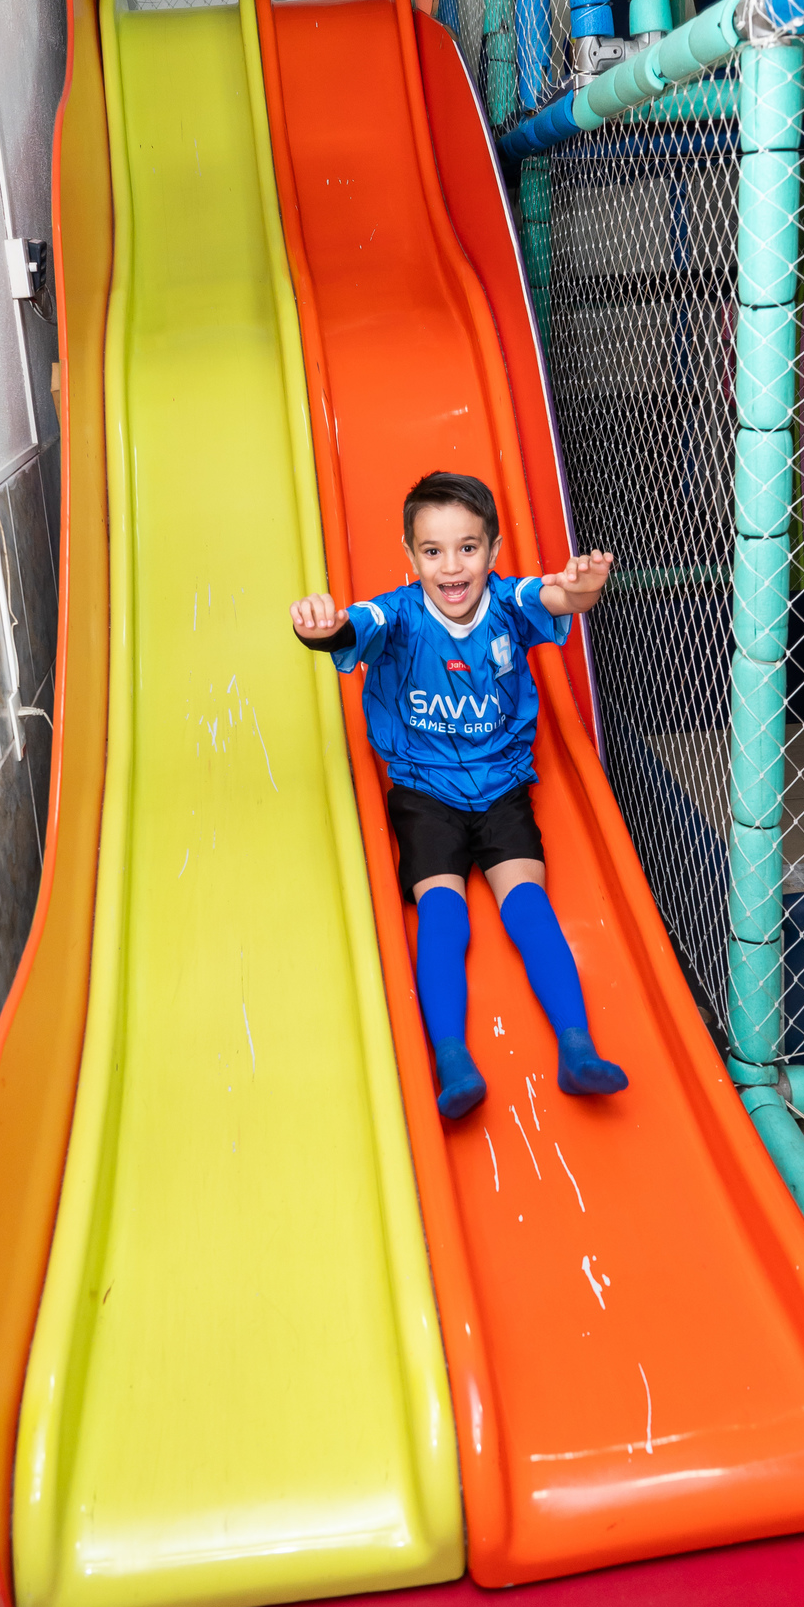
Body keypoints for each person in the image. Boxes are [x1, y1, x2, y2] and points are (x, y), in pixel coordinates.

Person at [288, 470, 628, 1120]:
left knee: (527, 904)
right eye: (433, 551)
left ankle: (577, 1048)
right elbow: (347, 629)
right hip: (425, 792)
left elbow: (560, 596)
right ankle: (452, 1060)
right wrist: (317, 626)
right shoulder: (398, 614)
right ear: (410, 554)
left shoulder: (508, 602)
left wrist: (584, 586)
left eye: (468, 548)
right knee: (444, 914)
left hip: (502, 787)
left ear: (492, 550)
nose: (451, 567)